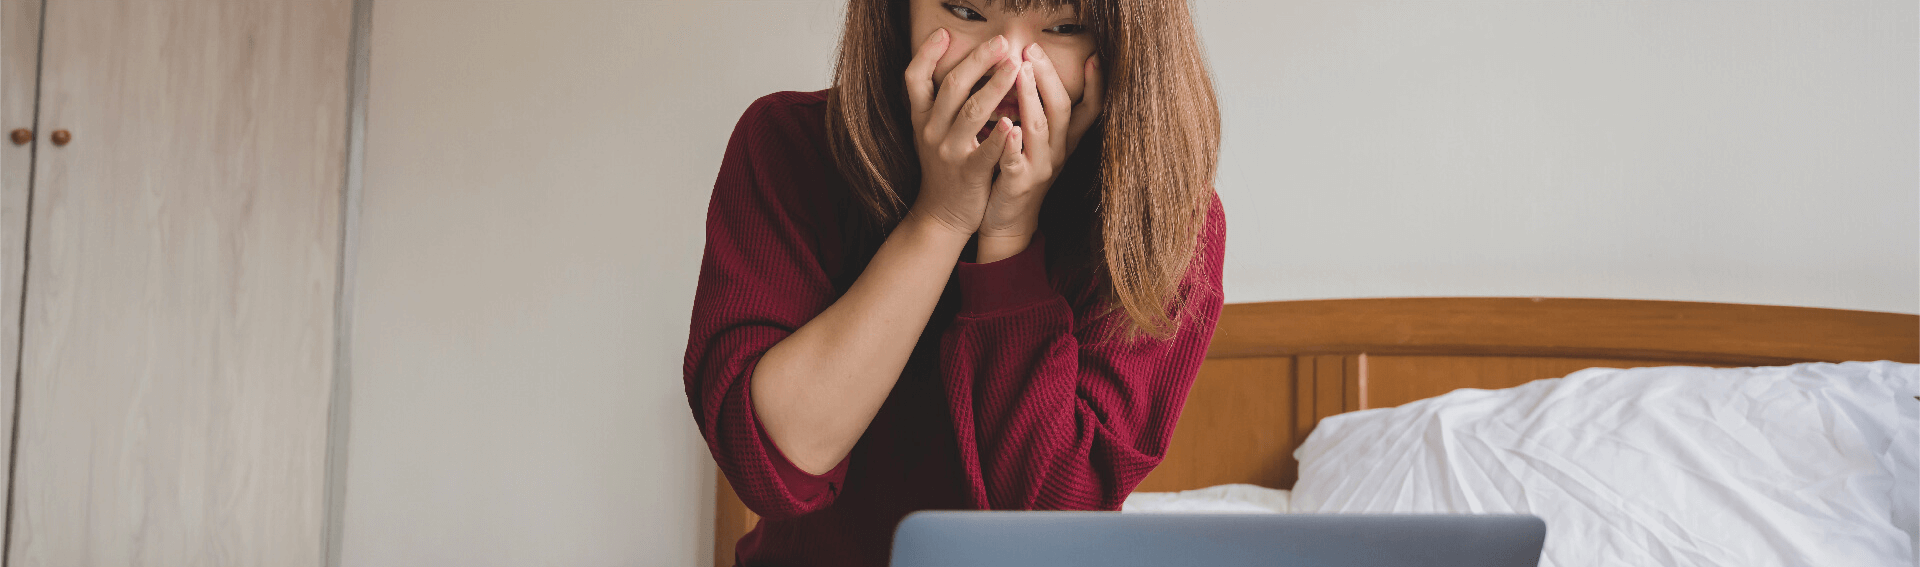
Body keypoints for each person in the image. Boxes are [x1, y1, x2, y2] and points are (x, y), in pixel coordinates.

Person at [683, 1, 1223, 565]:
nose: (1008, 66)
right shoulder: (789, 145)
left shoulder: (1164, 224)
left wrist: (1009, 238)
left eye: (1064, 28)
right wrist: (941, 217)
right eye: (967, 11)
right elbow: (778, 462)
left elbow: (1052, 526)